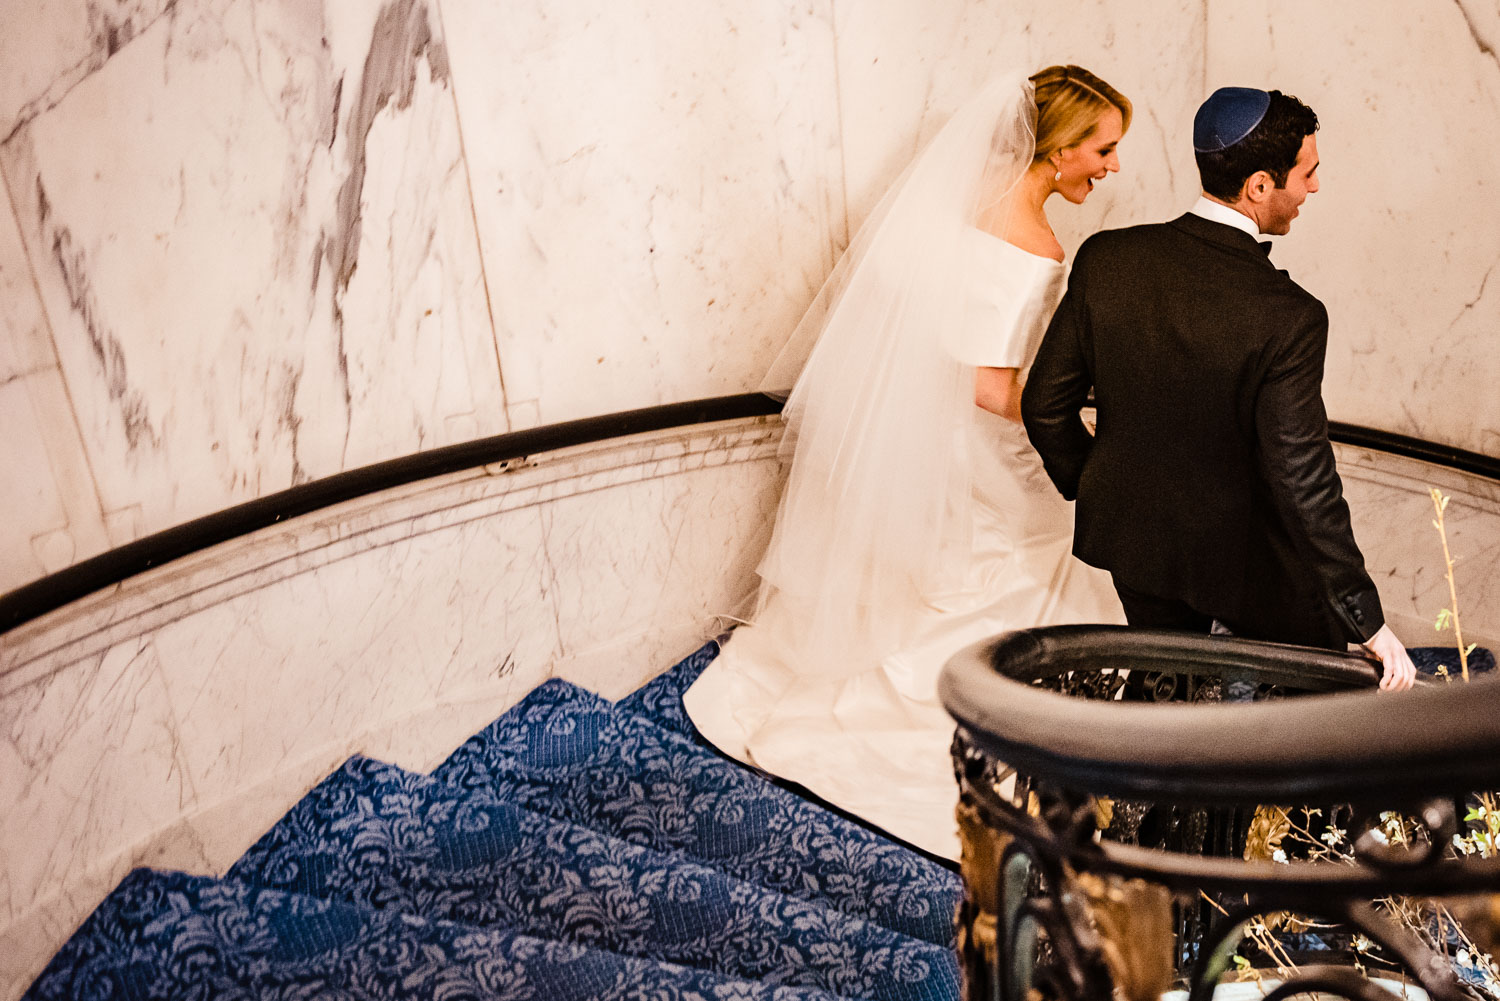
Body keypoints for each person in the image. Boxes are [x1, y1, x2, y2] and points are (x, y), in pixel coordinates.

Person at [684, 67, 1133, 860]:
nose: (1112, 167)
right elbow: (991, 385)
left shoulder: (960, 211)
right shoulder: (1032, 241)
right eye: (1103, 149)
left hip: (941, 440)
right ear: (1059, 150)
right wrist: (1082, 405)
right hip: (987, 444)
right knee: (1031, 559)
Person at [1021, 86, 1417, 692]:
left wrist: (1099, 480)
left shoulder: (1107, 257)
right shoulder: (1291, 316)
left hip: (1137, 543)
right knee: (1293, 709)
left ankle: (1147, 778)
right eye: (1307, 174)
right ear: (1260, 186)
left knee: (1161, 686)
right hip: (1248, 568)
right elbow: (1301, 477)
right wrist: (1366, 617)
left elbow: (1044, 404)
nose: (1314, 188)